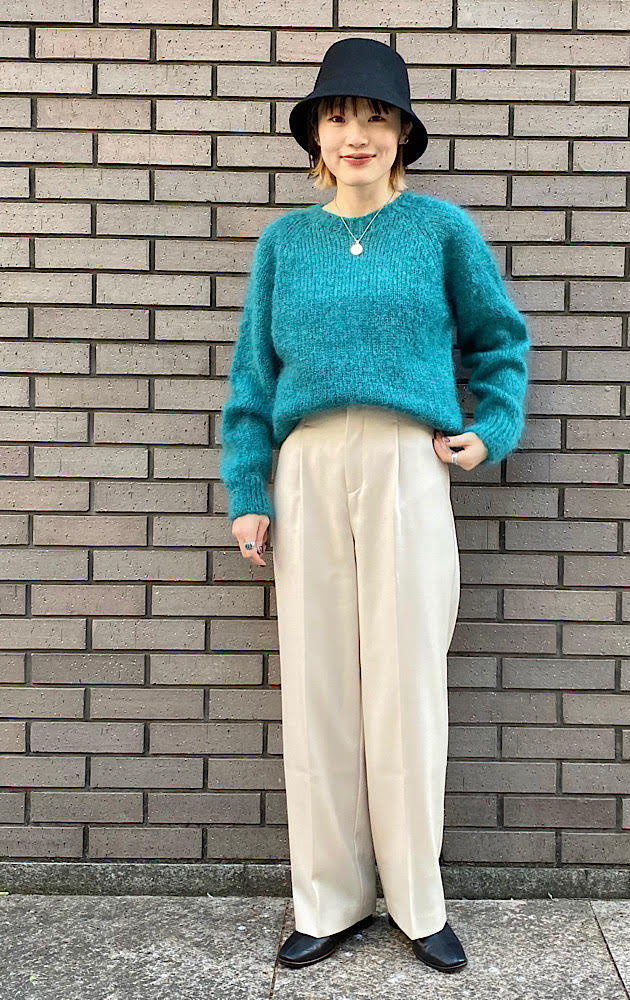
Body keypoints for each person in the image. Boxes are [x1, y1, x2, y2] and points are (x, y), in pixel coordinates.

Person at [219, 37, 531, 975]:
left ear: (402, 134)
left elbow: (499, 339)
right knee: (317, 684)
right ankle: (327, 898)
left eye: (376, 117)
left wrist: (492, 426)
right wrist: (248, 490)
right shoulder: (284, 242)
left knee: (407, 682)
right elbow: (252, 379)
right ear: (315, 135)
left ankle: (416, 899)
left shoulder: (439, 230)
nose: (356, 133)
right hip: (307, 466)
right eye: (339, 116)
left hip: (406, 463)